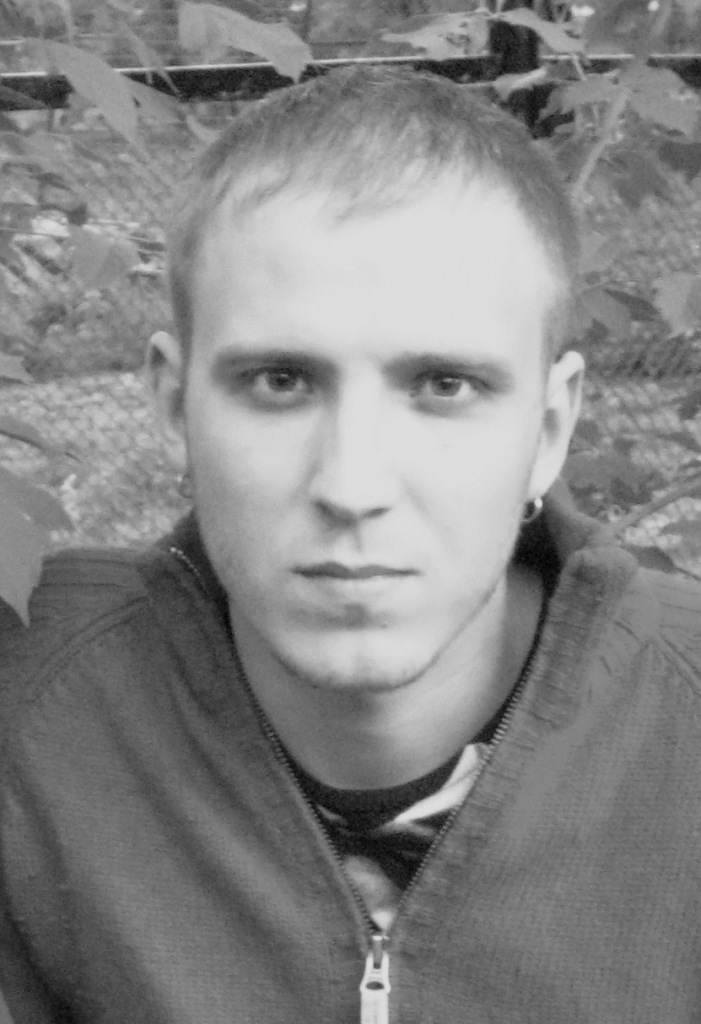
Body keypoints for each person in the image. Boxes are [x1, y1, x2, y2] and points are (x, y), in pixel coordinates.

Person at [0, 64, 700, 1024]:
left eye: (443, 386)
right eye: (280, 382)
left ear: (548, 428)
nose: (352, 484)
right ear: (172, 404)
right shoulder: (34, 706)